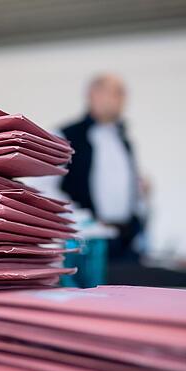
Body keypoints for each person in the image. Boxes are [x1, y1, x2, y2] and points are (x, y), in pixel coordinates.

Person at [60, 73, 148, 261]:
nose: (123, 99)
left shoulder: (123, 140)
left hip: (125, 241)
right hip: (87, 241)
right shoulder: (66, 135)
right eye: (117, 92)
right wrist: (81, 221)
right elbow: (48, 187)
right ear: (94, 95)